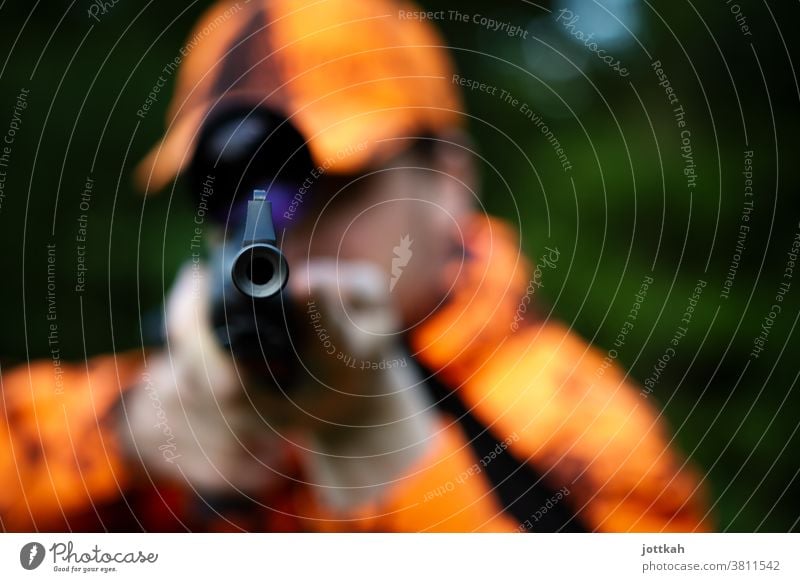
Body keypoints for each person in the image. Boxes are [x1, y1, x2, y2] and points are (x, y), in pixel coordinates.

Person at [0, 0, 712, 532]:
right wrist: (128, 435)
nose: (282, 230)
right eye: (233, 190)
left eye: (337, 183)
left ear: (452, 175)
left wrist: (398, 460)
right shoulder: (189, 385)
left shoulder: (569, 420)